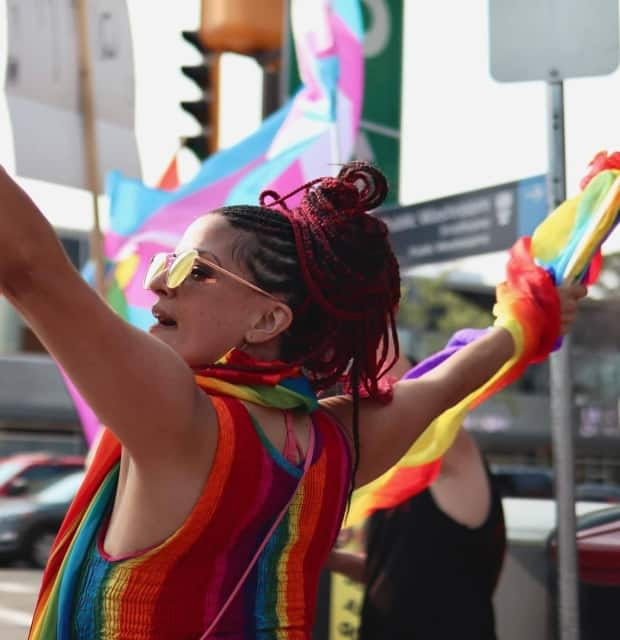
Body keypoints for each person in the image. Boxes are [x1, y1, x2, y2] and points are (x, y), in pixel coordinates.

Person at [0, 162, 584, 639]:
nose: (158, 282)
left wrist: (522, 325)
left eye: (193, 270)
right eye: (163, 262)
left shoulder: (179, 414)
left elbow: (29, 268)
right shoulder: (337, 443)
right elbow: (445, 381)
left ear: (267, 318)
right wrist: (525, 322)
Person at [327, 424, 506, 640]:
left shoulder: (451, 444)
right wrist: (331, 559)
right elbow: (393, 571)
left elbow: (413, 416)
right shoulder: (398, 478)